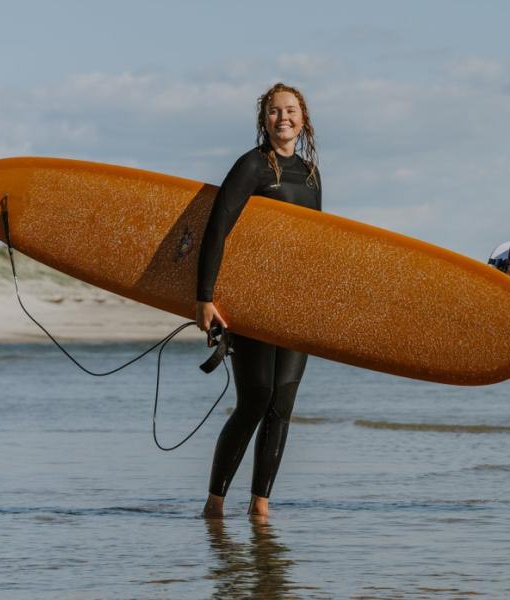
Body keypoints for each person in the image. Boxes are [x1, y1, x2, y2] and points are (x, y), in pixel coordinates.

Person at [196, 82, 321, 519]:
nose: (282, 118)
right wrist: (205, 297)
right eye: (273, 111)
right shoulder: (251, 167)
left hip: (296, 304)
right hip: (252, 299)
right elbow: (217, 228)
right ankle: (215, 504)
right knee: (255, 399)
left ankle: (260, 508)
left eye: (290, 110)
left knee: (282, 404)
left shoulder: (309, 174)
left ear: (303, 119)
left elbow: (314, 245)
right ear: (263, 120)